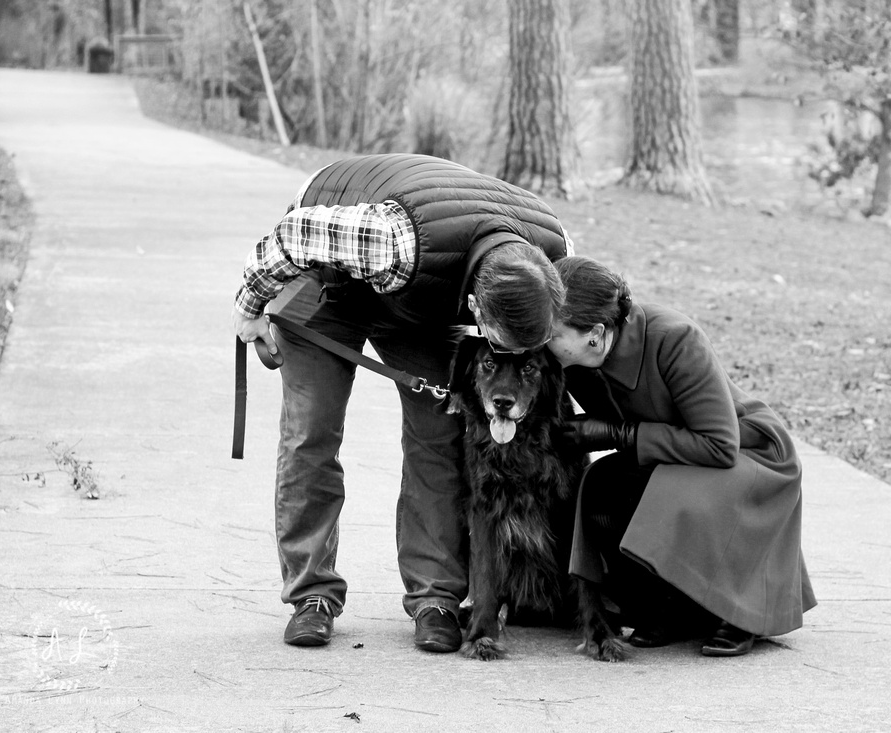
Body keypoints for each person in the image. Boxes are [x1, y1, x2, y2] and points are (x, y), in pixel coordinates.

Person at [232, 154, 570, 653]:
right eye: (504, 346)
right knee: (312, 433)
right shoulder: (391, 239)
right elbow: (291, 236)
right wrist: (250, 309)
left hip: (423, 298)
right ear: (475, 308)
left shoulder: (553, 248)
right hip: (327, 276)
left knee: (438, 437)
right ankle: (312, 595)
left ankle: (435, 599)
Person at [548, 256, 815, 657]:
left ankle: (741, 613)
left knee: (670, 491)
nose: (543, 339)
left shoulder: (675, 337)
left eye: (553, 332)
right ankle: (672, 604)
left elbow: (719, 445)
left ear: (595, 333)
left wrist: (620, 433)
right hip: (677, 454)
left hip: (751, 454)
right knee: (603, 485)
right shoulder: (577, 360)